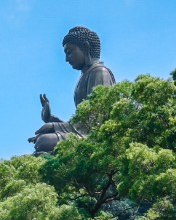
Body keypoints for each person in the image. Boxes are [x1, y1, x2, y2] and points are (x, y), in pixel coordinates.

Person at [30, 25, 116, 154]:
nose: (66, 59)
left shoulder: (100, 72)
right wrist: (51, 119)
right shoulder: (85, 76)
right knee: (42, 141)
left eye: (69, 52)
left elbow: (96, 121)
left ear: (85, 47)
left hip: (96, 137)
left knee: (43, 141)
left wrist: (54, 127)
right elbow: (80, 122)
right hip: (82, 133)